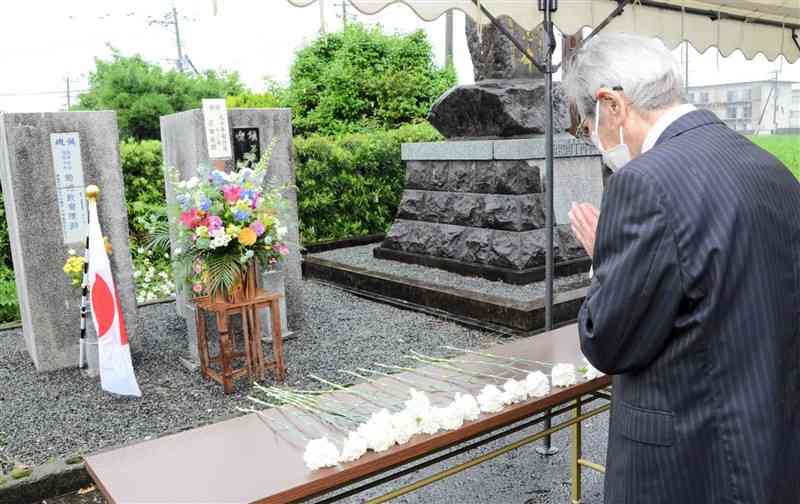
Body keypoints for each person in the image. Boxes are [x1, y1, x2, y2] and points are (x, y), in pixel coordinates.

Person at [564, 33, 800, 503]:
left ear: (611, 104)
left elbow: (609, 340)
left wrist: (603, 264)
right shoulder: (770, 168)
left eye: (587, 122)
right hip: (771, 444)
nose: (594, 136)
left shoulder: (644, 182)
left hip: (689, 464)